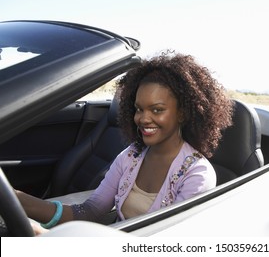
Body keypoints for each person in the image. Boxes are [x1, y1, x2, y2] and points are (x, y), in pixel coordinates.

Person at [16, 52, 234, 235]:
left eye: (157, 110)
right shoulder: (131, 155)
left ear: (183, 113)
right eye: (139, 109)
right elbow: (90, 211)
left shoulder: (197, 175)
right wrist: (18, 199)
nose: (143, 118)